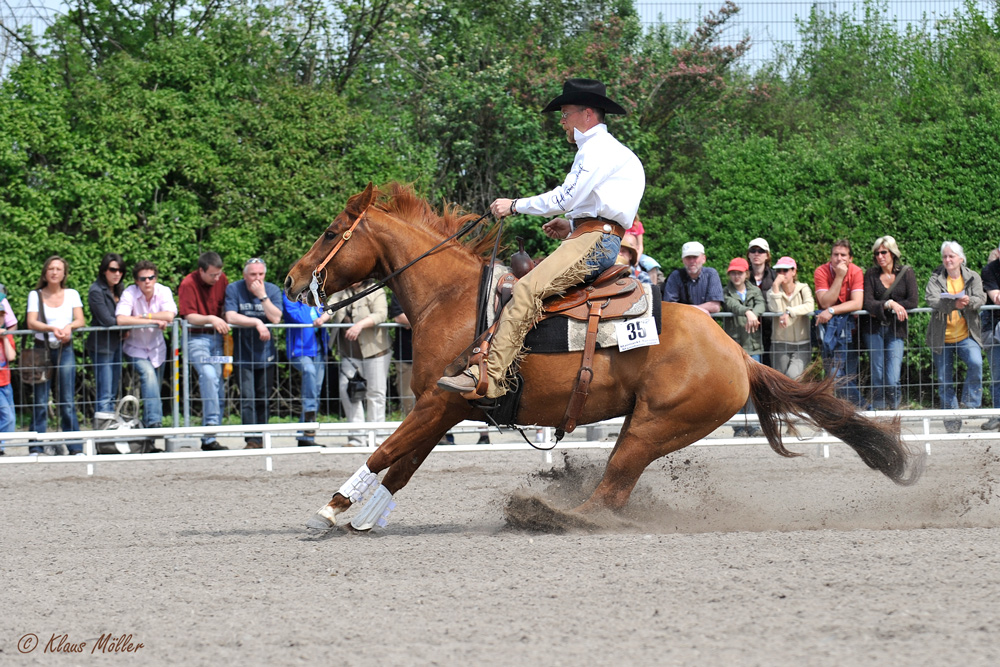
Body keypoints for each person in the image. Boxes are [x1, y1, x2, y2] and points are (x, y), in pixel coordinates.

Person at [438, 78, 644, 399]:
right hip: (594, 236)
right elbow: (594, 205)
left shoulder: (596, 149)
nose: (562, 122)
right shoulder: (609, 150)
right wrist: (572, 224)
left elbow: (564, 197)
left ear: (587, 114)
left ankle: (490, 379)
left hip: (594, 242)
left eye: (565, 114)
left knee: (524, 291)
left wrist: (514, 206)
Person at [26, 256, 85, 454]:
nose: (54, 272)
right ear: (45, 272)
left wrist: (68, 327)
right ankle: (36, 445)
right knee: (41, 399)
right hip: (41, 348)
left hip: (64, 348)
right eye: (51, 268)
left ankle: (75, 446)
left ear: (64, 273)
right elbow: (31, 322)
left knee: (67, 399)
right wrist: (52, 327)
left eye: (58, 269)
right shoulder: (35, 295)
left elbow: (80, 320)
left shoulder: (72, 294)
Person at [926, 241, 986, 433]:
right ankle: (952, 420)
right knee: (944, 380)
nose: (948, 260)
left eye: (951, 256)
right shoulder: (935, 278)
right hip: (941, 337)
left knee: (976, 363)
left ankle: (970, 403)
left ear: (961, 258)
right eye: (945, 256)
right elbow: (931, 299)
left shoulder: (972, 276)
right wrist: (953, 304)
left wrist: (968, 302)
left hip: (966, 334)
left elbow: (981, 298)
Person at [116, 261, 177, 448]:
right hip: (135, 348)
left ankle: (148, 441)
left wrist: (146, 317)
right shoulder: (129, 293)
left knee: (153, 391)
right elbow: (121, 319)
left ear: (155, 278)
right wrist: (152, 318)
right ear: (136, 281)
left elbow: (171, 314)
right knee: (148, 376)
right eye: (143, 279)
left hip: (157, 348)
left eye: (151, 277)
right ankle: (154, 424)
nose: (147, 282)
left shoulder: (163, 290)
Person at [224, 257, 282, 449]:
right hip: (243, 354)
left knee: (263, 397)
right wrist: (257, 322)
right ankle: (251, 439)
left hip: (266, 353)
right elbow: (230, 315)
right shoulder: (234, 288)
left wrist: (262, 296)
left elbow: (275, 318)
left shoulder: (271, 289)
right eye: (253, 274)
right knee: (247, 397)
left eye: (260, 274)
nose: (257, 278)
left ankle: (263, 436)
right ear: (244, 275)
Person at [327, 280, 391, 445]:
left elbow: (381, 314)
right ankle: (357, 437)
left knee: (376, 393)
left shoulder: (375, 290)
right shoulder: (341, 291)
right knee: (347, 390)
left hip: (375, 351)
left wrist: (360, 325)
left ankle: (377, 437)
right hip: (349, 353)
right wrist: (321, 317)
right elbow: (330, 308)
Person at [178, 251, 230, 451]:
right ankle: (209, 430)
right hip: (196, 338)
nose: (217, 278)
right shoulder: (188, 283)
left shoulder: (222, 278)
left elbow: (225, 306)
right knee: (208, 375)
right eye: (212, 275)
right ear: (201, 271)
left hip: (218, 339)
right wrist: (212, 318)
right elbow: (189, 316)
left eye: (219, 274)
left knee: (218, 381)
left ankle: (211, 436)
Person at [861, 236, 918, 410]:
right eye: (877, 253)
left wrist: (890, 307)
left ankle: (894, 409)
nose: (880, 256)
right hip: (873, 330)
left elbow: (913, 301)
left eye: (883, 252)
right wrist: (889, 304)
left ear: (892, 253)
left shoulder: (906, 272)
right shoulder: (871, 274)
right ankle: (879, 410)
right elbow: (867, 303)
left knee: (893, 376)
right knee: (877, 373)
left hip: (896, 330)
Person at [813, 240, 865, 406]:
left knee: (846, 374)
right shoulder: (821, 271)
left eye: (843, 255)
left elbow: (857, 303)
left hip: (852, 332)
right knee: (834, 375)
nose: (839, 258)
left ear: (850, 258)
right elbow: (825, 301)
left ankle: (854, 410)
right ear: (830, 256)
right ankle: (862, 407)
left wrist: (832, 311)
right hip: (830, 333)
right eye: (835, 254)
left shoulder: (856, 271)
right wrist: (840, 277)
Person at [722, 257, 765, 436]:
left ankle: (753, 426)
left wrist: (753, 314)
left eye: (739, 272)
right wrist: (748, 312)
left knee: (753, 387)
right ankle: (739, 427)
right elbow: (731, 305)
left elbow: (762, 304)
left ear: (746, 273)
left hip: (753, 345)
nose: (736, 276)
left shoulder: (755, 290)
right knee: (736, 387)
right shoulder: (726, 291)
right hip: (734, 346)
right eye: (733, 272)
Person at [283, 291, 328, 445]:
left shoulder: (316, 296)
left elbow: (328, 310)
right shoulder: (290, 298)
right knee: (309, 372)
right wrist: (307, 304)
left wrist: (325, 316)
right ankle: (309, 418)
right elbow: (298, 317)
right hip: (299, 349)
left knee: (315, 389)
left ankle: (306, 436)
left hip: (318, 349)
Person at [85, 253, 125, 420]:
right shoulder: (96, 290)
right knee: (105, 392)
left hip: (117, 344)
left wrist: (127, 323)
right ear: (104, 271)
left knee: (113, 391)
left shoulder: (120, 289)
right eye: (113, 269)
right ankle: (102, 436)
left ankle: (109, 433)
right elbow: (107, 320)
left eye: (121, 270)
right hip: (102, 346)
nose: (117, 274)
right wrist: (128, 322)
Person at [766, 256, 815, 380]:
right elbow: (775, 309)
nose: (781, 274)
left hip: (802, 344)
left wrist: (789, 311)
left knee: (793, 377)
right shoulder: (772, 292)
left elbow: (810, 306)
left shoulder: (803, 288)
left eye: (785, 270)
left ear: (794, 271)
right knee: (779, 381)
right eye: (779, 271)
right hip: (779, 343)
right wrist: (775, 286)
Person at [663, 241, 724, 314]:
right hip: (682, 323)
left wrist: (690, 309)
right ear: (683, 260)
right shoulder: (675, 276)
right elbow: (669, 306)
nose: (691, 261)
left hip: (705, 323)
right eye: (688, 257)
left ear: (704, 258)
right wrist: (700, 310)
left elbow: (715, 306)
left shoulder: (711, 274)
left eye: (695, 257)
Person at [980, 242, 1000, 430]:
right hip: (992, 329)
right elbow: (996, 298)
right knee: (997, 375)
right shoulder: (989, 271)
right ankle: (997, 414)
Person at [747, 238, 776, 366]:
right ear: (748, 255)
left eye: (761, 251)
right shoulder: (742, 275)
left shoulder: (775, 276)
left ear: (767, 255)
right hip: (750, 329)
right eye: (753, 250)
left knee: (771, 365)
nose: (756, 254)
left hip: (772, 328)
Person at [388, 293, 415, 416]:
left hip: (434, 357)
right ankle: (416, 435)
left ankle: (444, 436)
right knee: (408, 399)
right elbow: (398, 317)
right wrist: (426, 320)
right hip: (406, 355)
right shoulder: (399, 292)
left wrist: (410, 321)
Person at [0, 291, 16, 455]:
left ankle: (1, 446)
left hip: (5, 382)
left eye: (1, 316)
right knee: (8, 417)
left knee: (11, 418)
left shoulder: (7, 336)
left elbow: (11, 356)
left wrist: (4, 338)